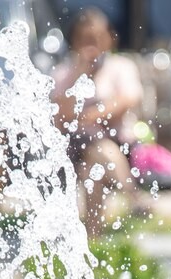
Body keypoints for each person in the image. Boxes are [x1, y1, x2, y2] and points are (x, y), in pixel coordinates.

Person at [51, 7, 151, 238]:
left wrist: (87, 116)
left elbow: (126, 101)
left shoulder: (120, 67)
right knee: (91, 154)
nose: (90, 46)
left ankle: (93, 239)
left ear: (110, 39)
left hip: (117, 146)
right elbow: (59, 114)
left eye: (96, 39)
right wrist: (80, 72)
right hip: (73, 149)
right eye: (84, 39)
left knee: (92, 168)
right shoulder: (65, 73)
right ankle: (133, 195)